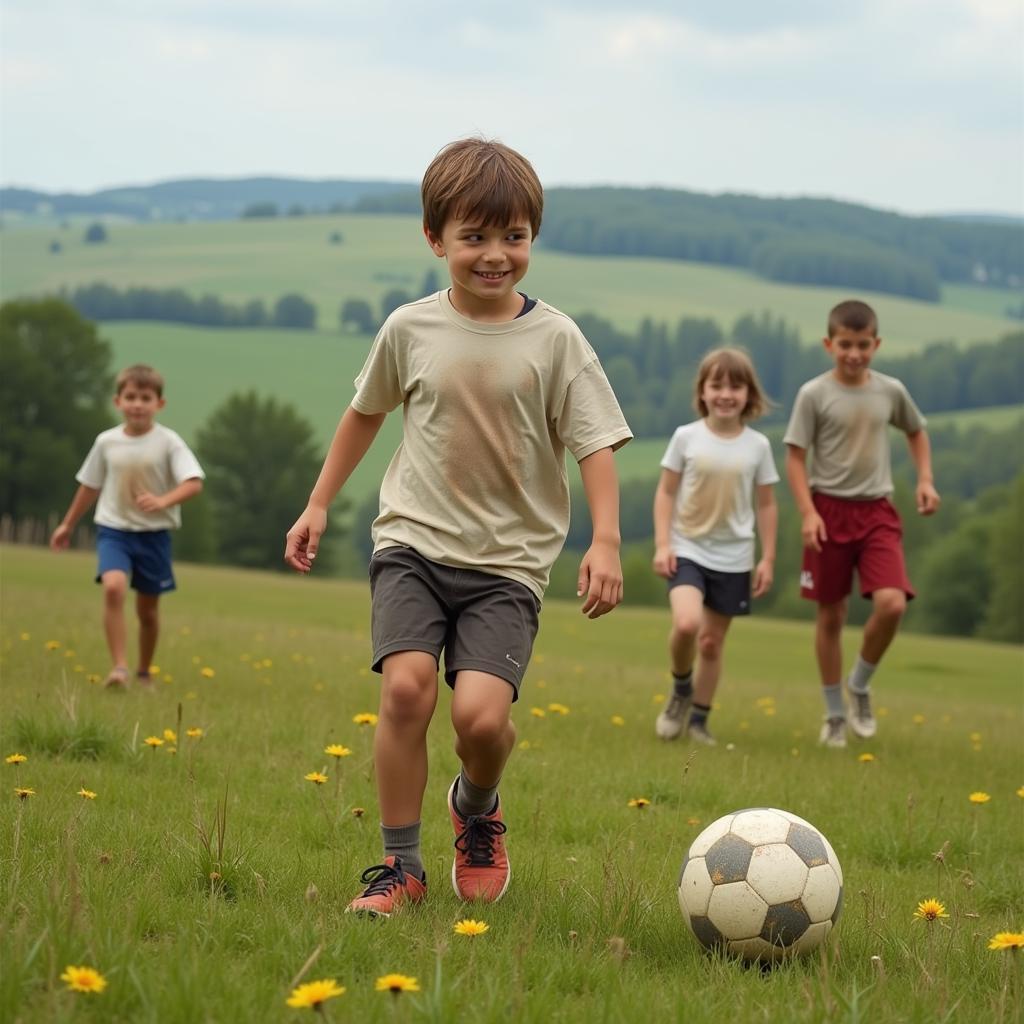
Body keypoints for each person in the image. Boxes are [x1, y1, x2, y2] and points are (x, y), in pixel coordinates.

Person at [284, 138, 632, 917]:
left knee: (482, 719)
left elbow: (598, 442)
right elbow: (364, 413)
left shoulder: (557, 340)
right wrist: (316, 503)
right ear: (435, 239)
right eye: (474, 236)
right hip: (412, 543)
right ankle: (399, 869)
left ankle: (477, 808)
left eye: (513, 236)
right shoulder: (409, 328)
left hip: (507, 567)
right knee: (406, 691)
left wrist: (604, 540)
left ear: (532, 238)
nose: (495, 255)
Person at [784, 299, 939, 748]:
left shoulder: (890, 390)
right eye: (845, 345)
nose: (854, 353)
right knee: (831, 614)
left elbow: (916, 430)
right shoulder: (813, 394)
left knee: (892, 604)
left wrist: (925, 479)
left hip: (877, 512)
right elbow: (795, 456)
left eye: (863, 345)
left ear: (877, 344)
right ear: (829, 344)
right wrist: (808, 513)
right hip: (827, 512)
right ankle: (834, 715)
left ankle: (860, 684)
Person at [652, 348, 778, 746]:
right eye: (717, 385)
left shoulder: (758, 446)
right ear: (702, 392)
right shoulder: (686, 437)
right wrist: (662, 544)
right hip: (687, 547)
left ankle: (700, 722)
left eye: (735, 386)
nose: (726, 394)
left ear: (749, 394)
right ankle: (680, 689)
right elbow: (666, 493)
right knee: (688, 625)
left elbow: (767, 503)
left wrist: (768, 558)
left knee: (711, 642)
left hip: (735, 556)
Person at [50, 364, 204, 688]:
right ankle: (119, 668)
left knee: (147, 612)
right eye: (130, 396)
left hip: (154, 535)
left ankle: (144, 672)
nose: (137, 404)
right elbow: (89, 485)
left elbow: (193, 483)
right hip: (113, 530)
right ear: (117, 401)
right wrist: (66, 525)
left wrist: (163, 501)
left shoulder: (169, 442)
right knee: (113, 587)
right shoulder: (106, 442)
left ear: (159, 404)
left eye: (145, 397)